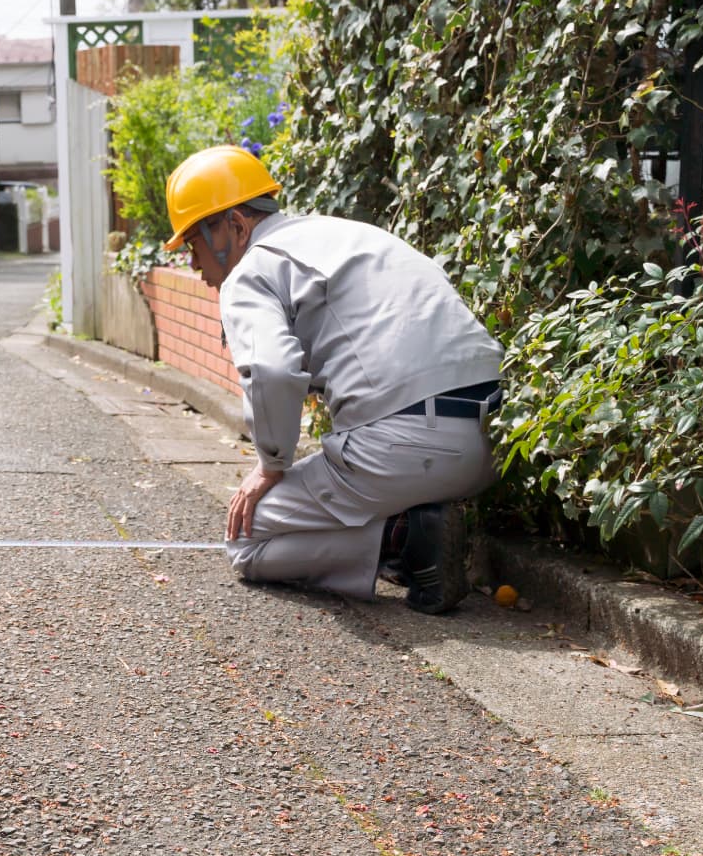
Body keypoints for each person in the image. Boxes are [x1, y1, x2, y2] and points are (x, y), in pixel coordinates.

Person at [163, 145, 504, 611]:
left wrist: (271, 465)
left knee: (246, 539)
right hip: (492, 440)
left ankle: (405, 540)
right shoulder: (345, 234)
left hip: (402, 446)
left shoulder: (251, 269)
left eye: (192, 243)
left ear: (235, 226)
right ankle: (418, 531)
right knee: (342, 488)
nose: (193, 263)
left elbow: (271, 369)